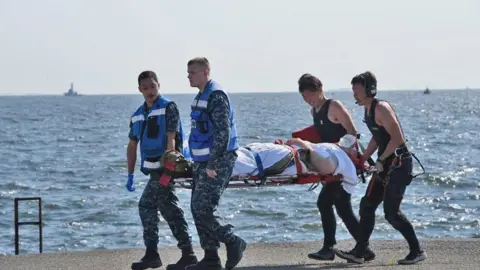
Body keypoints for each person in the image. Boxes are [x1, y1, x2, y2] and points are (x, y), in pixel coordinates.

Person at [334, 71, 427, 265]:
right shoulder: (367, 111)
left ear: (370, 89)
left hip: (399, 164)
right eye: (352, 90)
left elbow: (398, 138)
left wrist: (382, 159)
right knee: (367, 206)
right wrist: (364, 158)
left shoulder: (381, 108)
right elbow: (378, 137)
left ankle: (417, 251)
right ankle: (360, 252)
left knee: (391, 213)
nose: (354, 94)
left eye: (357, 90)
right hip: (384, 164)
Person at [297, 73, 375, 262]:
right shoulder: (314, 112)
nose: (308, 100)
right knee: (343, 207)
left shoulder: (334, 106)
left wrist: (344, 153)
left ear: (319, 89)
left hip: (343, 164)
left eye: (310, 95)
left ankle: (328, 248)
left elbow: (352, 133)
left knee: (324, 202)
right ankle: (365, 249)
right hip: (330, 165)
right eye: (304, 97)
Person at [127, 71, 198, 270]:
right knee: (170, 209)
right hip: (153, 171)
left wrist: (170, 166)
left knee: (146, 205)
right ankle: (188, 254)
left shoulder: (168, 108)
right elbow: (132, 145)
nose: (150, 91)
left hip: (168, 169)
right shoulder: (137, 115)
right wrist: (130, 174)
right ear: (140, 89)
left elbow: (171, 138)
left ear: (159, 85)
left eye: (153, 86)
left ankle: (152, 255)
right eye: (145, 87)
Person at [185, 57, 247, 270]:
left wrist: (212, 163)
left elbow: (223, 132)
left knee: (203, 207)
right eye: (188, 72)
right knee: (196, 208)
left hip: (218, 160)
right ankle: (211, 257)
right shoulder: (201, 95)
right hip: (202, 161)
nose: (189, 76)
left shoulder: (216, 95)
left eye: (192, 72)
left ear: (205, 72)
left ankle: (232, 241)